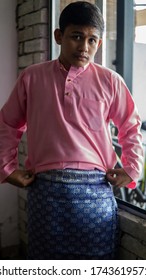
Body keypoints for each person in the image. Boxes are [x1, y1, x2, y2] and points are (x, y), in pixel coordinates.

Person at [0, 1, 143, 260]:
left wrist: (132, 168)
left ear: (99, 44)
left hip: (95, 196)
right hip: (45, 195)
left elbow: (131, 126)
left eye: (91, 40)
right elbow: (8, 124)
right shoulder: (31, 78)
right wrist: (7, 168)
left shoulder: (110, 81)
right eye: (76, 36)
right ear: (59, 36)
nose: (83, 46)